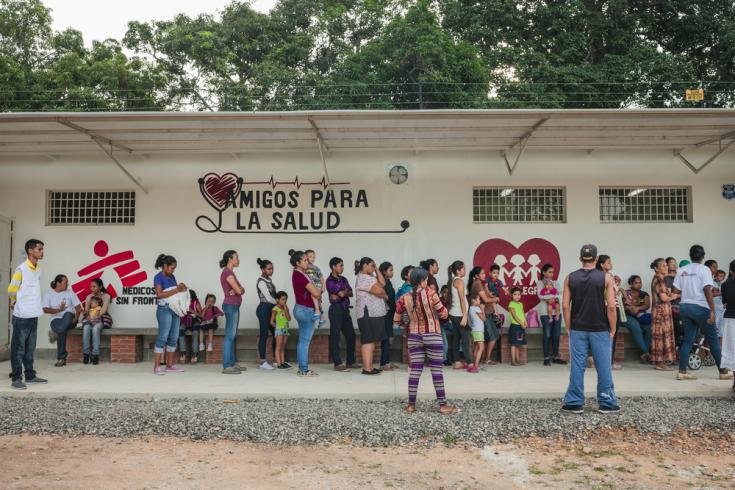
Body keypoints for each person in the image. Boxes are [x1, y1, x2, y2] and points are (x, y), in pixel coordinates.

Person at [561, 244, 620, 414]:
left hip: (578, 328)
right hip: (600, 328)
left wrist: (569, 327)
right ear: (596, 259)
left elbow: (565, 305)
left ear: (580, 259)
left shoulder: (569, 278)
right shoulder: (605, 278)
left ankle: (574, 402)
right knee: (603, 366)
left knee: (577, 366)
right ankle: (607, 403)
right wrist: (613, 328)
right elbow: (611, 307)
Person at [394, 267, 459, 415]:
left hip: (414, 337)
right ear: (422, 280)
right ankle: (442, 405)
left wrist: (409, 323)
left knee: (415, 371)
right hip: (433, 336)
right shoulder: (431, 294)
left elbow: (396, 320)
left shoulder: (404, 298)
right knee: (437, 371)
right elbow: (444, 314)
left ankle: (411, 405)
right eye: (426, 279)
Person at [673, 245, 733, 381]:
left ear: (690, 255)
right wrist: (712, 310)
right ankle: (723, 371)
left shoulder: (682, 270)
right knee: (713, 339)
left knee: (688, 339)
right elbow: (707, 289)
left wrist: (688, 290)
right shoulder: (704, 269)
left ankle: (682, 371)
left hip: (685, 307)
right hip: (700, 307)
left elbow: (675, 290)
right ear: (703, 256)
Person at [8, 239, 47, 390]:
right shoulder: (21, 269)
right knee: (18, 348)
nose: (42, 252)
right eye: (39, 249)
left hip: (33, 314)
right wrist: (14, 301)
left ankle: (30, 375)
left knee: (30, 348)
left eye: (42, 249)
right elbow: (12, 289)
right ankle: (16, 378)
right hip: (22, 315)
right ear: (30, 251)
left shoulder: (37, 269)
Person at [152, 254, 187, 375]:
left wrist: (182, 288)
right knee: (163, 337)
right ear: (165, 266)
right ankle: (157, 367)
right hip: (164, 309)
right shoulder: (158, 277)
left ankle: (170, 365)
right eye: (172, 268)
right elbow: (159, 294)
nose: (173, 270)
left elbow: (175, 294)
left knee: (173, 337)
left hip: (174, 310)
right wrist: (177, 289)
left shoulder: (172, 277)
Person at [290, 249, 322, 377]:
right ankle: (303, 369)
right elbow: (316, 293)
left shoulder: (299, 274)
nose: (307, 261)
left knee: (302, 340)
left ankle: (302, 368)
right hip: (305, 309)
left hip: (301, 308)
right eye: (304, 260)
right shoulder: (300, 275)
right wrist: (318, 292)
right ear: (298, 263)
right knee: (304, 341)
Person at [354, 257, 388, 375]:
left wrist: (377, 269)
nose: (374, 268)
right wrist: (384, 295)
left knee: (371, 339)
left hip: (374, 314)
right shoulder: (363, 278)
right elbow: (379, 291)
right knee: (368, 340)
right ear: (365, 265)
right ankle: (367, 368)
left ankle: (369, 367)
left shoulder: (370, 277)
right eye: (372, 265)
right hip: (367, 313)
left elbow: (383, 283)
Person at [325, 257, 358, 371]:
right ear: (334, 267)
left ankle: (350, 362)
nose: (342, 268)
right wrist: (343, 292)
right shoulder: (329, 281)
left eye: (343, 265)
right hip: (336, 310)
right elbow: (341, 293)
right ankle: (337, 363)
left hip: (345, 310)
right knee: (335, 336)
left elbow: (350, 293)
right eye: (341, 265)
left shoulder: (343, 279)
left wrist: (342, 293)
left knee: (351, 335)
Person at [595, 255, 627, 369]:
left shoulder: (601, 276)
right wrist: (617, 289)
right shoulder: (606, 276)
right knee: (612, 334)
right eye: (608, 262)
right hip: (610, 308)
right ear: (602, 264)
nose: (611, 264)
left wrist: (617, 284)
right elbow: (611, 293)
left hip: (603, 308)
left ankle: (601, 360)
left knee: (603, 335)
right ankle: (609, 362)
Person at [43, 274, 82, 367]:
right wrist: (58, 310)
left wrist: (75, 319)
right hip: (56, 320)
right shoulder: (48, 294)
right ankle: (61, 358)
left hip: (70, 319)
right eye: (65, 283)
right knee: (62, 331)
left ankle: (61, 358)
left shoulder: (70, 293)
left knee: (68, 314)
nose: (68, 284)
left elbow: (78, 308)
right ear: (58, 283)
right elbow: (45, 309)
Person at [650, 258, 678, 371]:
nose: (666, 267)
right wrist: (675, 296)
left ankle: (660, 362)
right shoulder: (659, 280)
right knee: (660, 336)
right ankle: (659, 363)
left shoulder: (660, 279)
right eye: (662, 265)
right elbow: (664, 298)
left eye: (666, 265)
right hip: (661, 311)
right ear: (656, 268)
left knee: (661, 335)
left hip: (661, 310)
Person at [468, 266, 500, 365]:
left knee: (490, 338)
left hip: (487, 313)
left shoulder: (481, 284)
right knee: (489, 339)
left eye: (484, 273)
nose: (484, 275)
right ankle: (483, 361)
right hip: (483, 313)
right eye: (482, 273)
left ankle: (481, 361)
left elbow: (488, 296)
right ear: (476, 276)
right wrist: (496, 299)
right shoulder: (477, 284)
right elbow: (486, 300)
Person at [220, 250, 245, 374]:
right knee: (230, 336)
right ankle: (226, 366)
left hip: (233, 306)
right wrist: (238, 290)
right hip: (231, 306)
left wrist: (237, 290)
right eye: (237, 257)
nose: (238, 260)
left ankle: (231, 363)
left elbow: (242, 289)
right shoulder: (228, 273)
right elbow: (240, 291)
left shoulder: (231, 273)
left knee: (232, 335)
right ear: (230, 259)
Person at [537, 264, 565, 366]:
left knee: (556, 335)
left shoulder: (556, 283)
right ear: (544, 272)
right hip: (545, 313)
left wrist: (552, 298)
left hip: (557, 312)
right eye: (549, 272)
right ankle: (546, 358)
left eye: (552, 272)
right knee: (547, 335)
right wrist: (550, 298)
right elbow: (540, 294)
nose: (551, 274)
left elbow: (560, 293)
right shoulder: (540, 283)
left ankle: (556, 357)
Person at [622, 274, 653, 365]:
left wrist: (638, 308)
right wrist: (629, 308)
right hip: (627, 316)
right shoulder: (625, 293)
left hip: (641, 316)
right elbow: (621, 306)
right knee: (636, 327)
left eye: (640, 283)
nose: (639, 284)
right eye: (636, 283)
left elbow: (647, 305)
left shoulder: (644, 294)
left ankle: (644, 354)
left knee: (649, 329)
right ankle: (646, 353)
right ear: (631, 284)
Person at [446, 261, 471, 370]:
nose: (465, 270)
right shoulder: (459, 281)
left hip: (453, 313)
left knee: (456, 337)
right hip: (459, 314)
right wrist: (465, 316)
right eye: (463, 269)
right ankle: (470, 363)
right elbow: (462, 299)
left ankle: (456, 362)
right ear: (458, 270)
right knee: (465, 339)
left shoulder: (453, 281)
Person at [255, 258, 277, 370]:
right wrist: (279, 302)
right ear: (263, 269)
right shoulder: (261, 281)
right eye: (269, 269)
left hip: (272, 309)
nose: (271, 270)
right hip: (264, 309)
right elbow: (268, 298)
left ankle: (275, 359)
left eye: (272, 268)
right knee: (264, 334)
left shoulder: (269, 280)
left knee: (276, 333)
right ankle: (263, 362)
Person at [379, 262, 399, 371]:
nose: (392, 272)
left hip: (390, 313)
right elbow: (386, 298)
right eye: (390, 270)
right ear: (384, 272)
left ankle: (387, 361)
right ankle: (383, 363)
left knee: (388, 337)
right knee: (386, 338)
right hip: (385, 314)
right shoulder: (383, 283)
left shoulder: (388, 282)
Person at [719, 260, 735, 392]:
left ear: (731, 271)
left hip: (730, 319)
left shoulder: (725, 285)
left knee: (732, 350)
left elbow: (724, 302)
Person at [178, 290, 202, 364]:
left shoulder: (196, 303)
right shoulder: (183, 303)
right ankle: (183, 353)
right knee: (180, 331)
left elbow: (201, 315)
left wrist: (192, 311)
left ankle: (195, 354)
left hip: (194, 321)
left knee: (195, 333)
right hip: (185, 320)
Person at [305, 249, 327, 326]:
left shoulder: (315, 267)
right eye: (310, 256)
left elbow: (321, 277)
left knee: (313, 295)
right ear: (305, 257)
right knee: (317, 301)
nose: (313, 258)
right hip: (311, 285)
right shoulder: (304, 267)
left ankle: (317, 311)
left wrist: (323, 286)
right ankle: (322, 318)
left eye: (314, 257)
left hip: (317, 284)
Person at [665, 257, 683, 346]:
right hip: (674, 308)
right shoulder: (668, 278)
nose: (674, 264)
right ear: (666, 265)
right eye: (671, 263)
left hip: (682, 306)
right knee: (677, 331)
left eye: (675, 262)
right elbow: (669, 295)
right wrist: (682, 295)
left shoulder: (679, 277)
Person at [270, 291, 291, 370]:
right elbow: (271, 321)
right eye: (282, 299)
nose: (284, 301)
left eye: (285, 299)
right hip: (279, 330)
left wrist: (285, 310)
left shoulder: (286, 307)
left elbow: (289, 319)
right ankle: (279, 363)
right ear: (277, 300)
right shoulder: (275, 309)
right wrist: (277, 327)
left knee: (283, 347)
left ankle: (282, 362)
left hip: (285, 329)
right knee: (278, 347)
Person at [81, 296, 104, 365]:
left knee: (95, 329)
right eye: (90, 303)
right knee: (86, 328)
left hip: (98, 322)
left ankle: (95, 355)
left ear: (97, 303)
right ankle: (86, 354)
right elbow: (88, 316)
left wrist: (92, 318)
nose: (91, 304)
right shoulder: (91, 309)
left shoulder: (99, 308)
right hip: (91, 322)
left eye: (92, 303)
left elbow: (98, 316)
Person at [507, 287, 527, 366]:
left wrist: (525, 322)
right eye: (515, 294)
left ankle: (518, 360)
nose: (517, 296)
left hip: (521, 326)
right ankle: (513, 360)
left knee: (518, 344)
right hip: (515, 326)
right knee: (514, 344)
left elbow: (522, 314)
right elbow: (514, 315)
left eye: (519, 294)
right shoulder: (511, 304)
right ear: (512, 295)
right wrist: (521, 323)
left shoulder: (521, 304)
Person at [468, 293, 485, 373]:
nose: (480, 301)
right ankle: (476, 366)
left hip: (474, 330)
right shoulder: (476, 308)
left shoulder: (471, 308)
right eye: (478, 299)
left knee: (476, 348)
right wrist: (483, 309)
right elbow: (483, 318)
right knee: (481, 347)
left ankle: (475, 364)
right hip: (478, 330)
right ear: (473, 300)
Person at [439, 285, 453, 365]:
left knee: (462, 330)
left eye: (448, 293)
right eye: (444, 292)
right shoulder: (439, 301)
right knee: (444, 342)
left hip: (447, 323)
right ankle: (444, 359)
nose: (446, 294)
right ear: (441, 293)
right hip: (440, 324)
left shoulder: (449, 302)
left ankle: (460, 353)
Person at [714, 269, 726, 340]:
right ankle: (708, 350)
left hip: (721, 308)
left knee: (721, 331)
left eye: (721, 276)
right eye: (718, 276)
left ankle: (720, 349)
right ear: (715, 276)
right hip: (714, 308)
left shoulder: (723, 285)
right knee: (714, 328)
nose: (719, 278)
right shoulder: (712, 284)